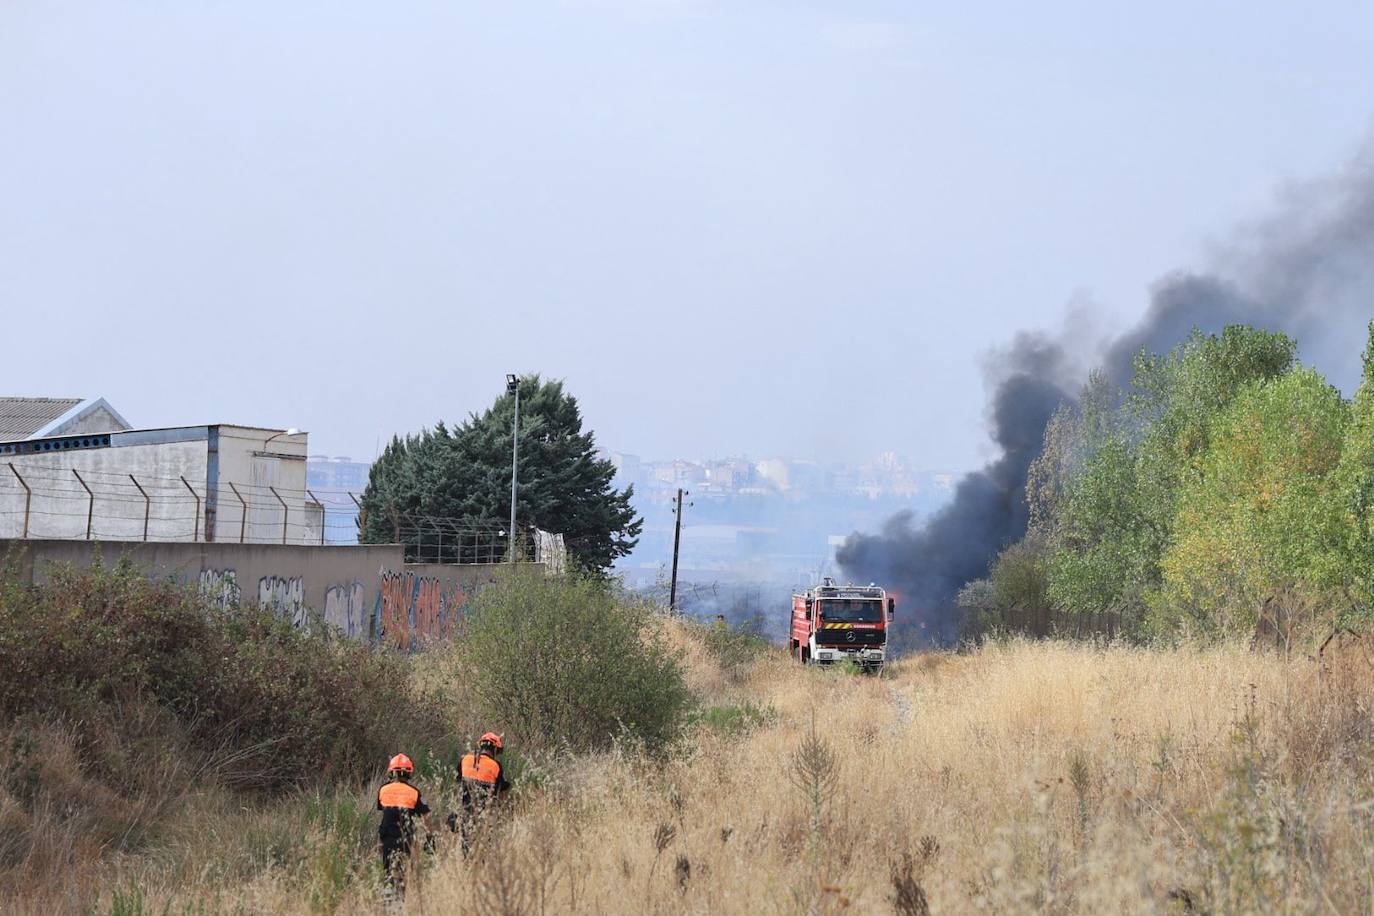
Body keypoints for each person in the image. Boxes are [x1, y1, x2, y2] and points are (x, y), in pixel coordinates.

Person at [376, 753, 431, 899]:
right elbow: (426, 817)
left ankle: (388, 900)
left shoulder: (383, 790)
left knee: (388, 871)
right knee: (403, 871)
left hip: (386, 838)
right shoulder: (414, 793)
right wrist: (430, 838)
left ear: (392, 772)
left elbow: (384, 813)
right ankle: (400, 901)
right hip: (405, 838)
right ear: (409, 772)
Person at [450, 732, 511, 853]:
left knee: (466, 852)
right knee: (485, 853)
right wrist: (501, 809)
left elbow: (457, 785)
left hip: (465, 814)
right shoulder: (496, 766)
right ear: (494, 749)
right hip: (485, 817)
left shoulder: (465, 759)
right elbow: (504, 791)